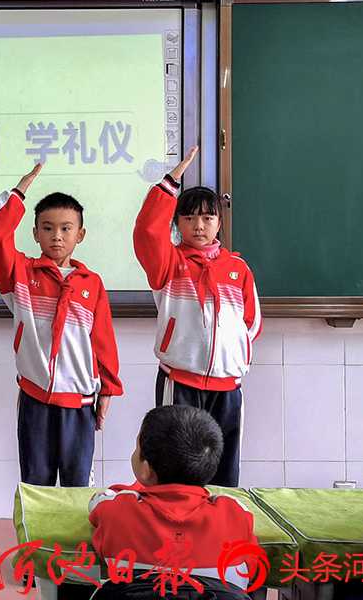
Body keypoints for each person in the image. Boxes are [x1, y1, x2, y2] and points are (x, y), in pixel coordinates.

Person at [0, 163, 122, 487]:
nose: (56, 236)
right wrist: (18, 193)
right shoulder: (20, 274)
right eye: (47, 228)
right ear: (35, 233)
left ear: (80, 234)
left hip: (80, 403)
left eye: (65, 228)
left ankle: (77, 543)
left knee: (77, 489)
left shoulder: (92, 283)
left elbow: (102, 341)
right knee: (36, 486)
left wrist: (108, 391)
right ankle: (35, 542)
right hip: (36, 401)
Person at [132, 146, 261, 487]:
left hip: (228, 386)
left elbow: (251, 324)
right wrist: (171, 182)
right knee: (176, 466)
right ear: (176, 223)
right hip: (181, 382)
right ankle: (177, 532)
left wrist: (230, 357)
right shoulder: (168, 264)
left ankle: (221, 529)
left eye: (207, 217)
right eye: (188, 218)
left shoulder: (237, 269)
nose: (199, 225)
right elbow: (146, 231)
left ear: (219, 221)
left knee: (224, 469)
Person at [88, 405, 255, 599]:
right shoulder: (235, 514)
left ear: (146, 469)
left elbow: (98, 501)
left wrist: (135, 491)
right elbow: (253, 568)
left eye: (137, 447)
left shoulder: (119, 510)